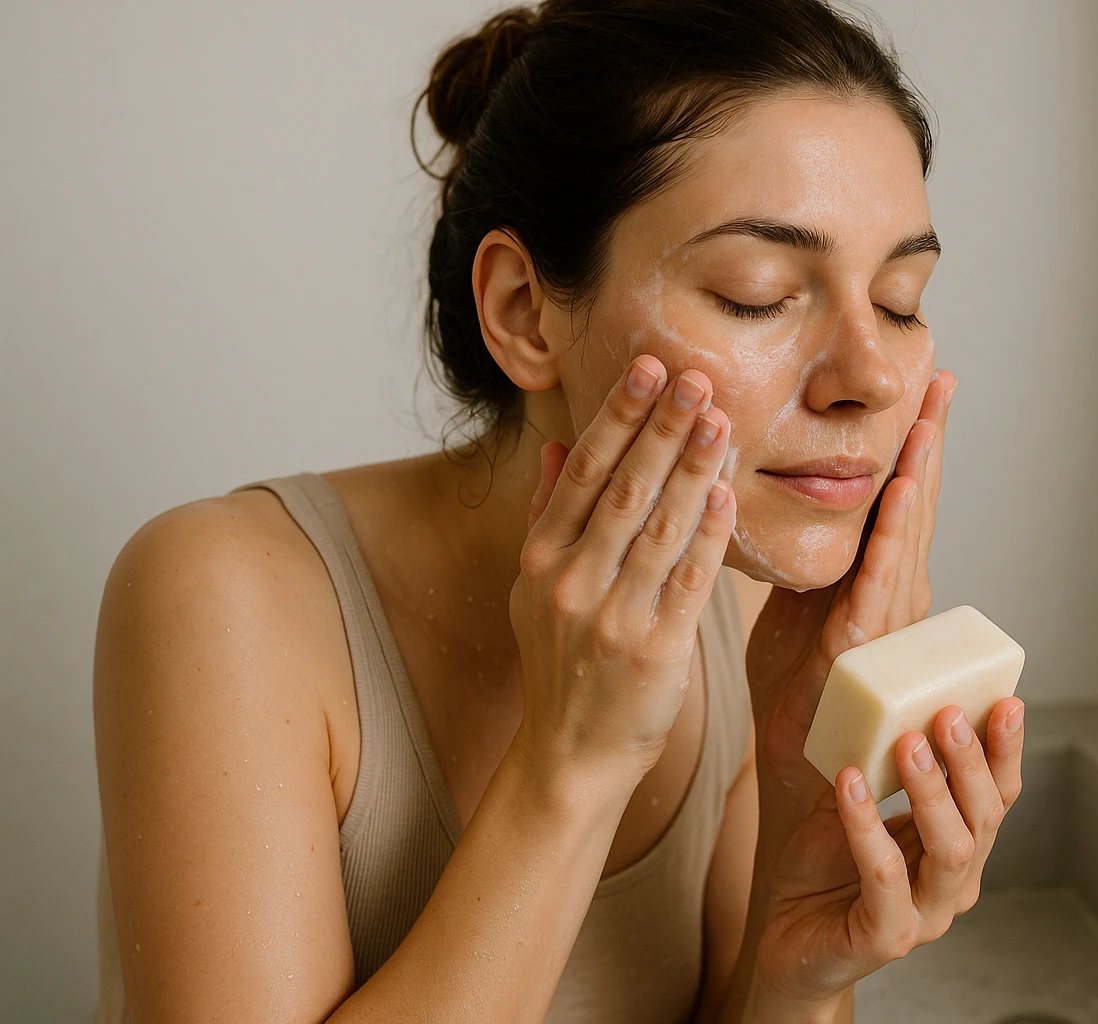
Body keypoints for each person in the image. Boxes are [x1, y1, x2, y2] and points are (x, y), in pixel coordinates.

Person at [92, 1, 1027, 1021]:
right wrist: (571, 764)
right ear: (524, 312)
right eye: (759, 293)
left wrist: (800, 970)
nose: (870, 376)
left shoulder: (744, 607)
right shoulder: (223, 600)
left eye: (900, 300)